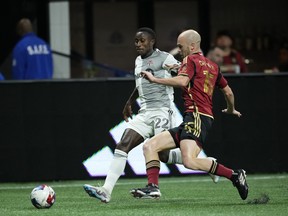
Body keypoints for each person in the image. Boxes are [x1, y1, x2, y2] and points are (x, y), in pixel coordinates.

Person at [83, 27, 218, 203]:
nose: (138, 44)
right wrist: (129, 102)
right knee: (123, 144)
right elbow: (141, 84)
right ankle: (106, 190)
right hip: (145, 112)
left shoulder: (164, 57)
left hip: (162, 110)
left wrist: (176, 69)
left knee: (162, 155)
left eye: (142, 41)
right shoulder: (138, 60)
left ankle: (207, 164)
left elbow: (183, 76)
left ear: (152, 42)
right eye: (136, 41)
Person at [130, 29, 249, 201]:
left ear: (192, 46)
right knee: (150, 146)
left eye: (181, 46)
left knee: (189, 161)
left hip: (197, 116)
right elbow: (228, 92)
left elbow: (182, 81)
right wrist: (231, 109)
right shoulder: (213, 66)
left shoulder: (189, 59)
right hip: (194, 117)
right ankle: (152, 187)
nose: (179, 50)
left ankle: (235, 175)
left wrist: (155, 79)